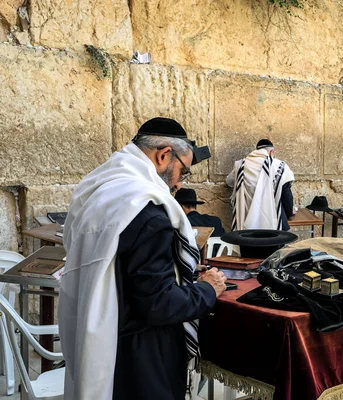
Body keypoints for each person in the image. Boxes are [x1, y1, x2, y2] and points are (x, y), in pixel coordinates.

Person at [58, 117, 227, 400]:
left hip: (99, 340)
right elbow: (159, 304)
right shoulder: (149, 211)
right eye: (182, 171)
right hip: (140, 360)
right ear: (163, 155)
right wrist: (207, 289)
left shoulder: (101, 192)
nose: (178, 184)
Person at [226, 139, 295, 230]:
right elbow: (286, 193)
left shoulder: (241, 164)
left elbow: (228, 182)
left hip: (245, 218)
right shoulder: (279, 165)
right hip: (273, 219)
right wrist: (290, 212)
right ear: (271, 152)